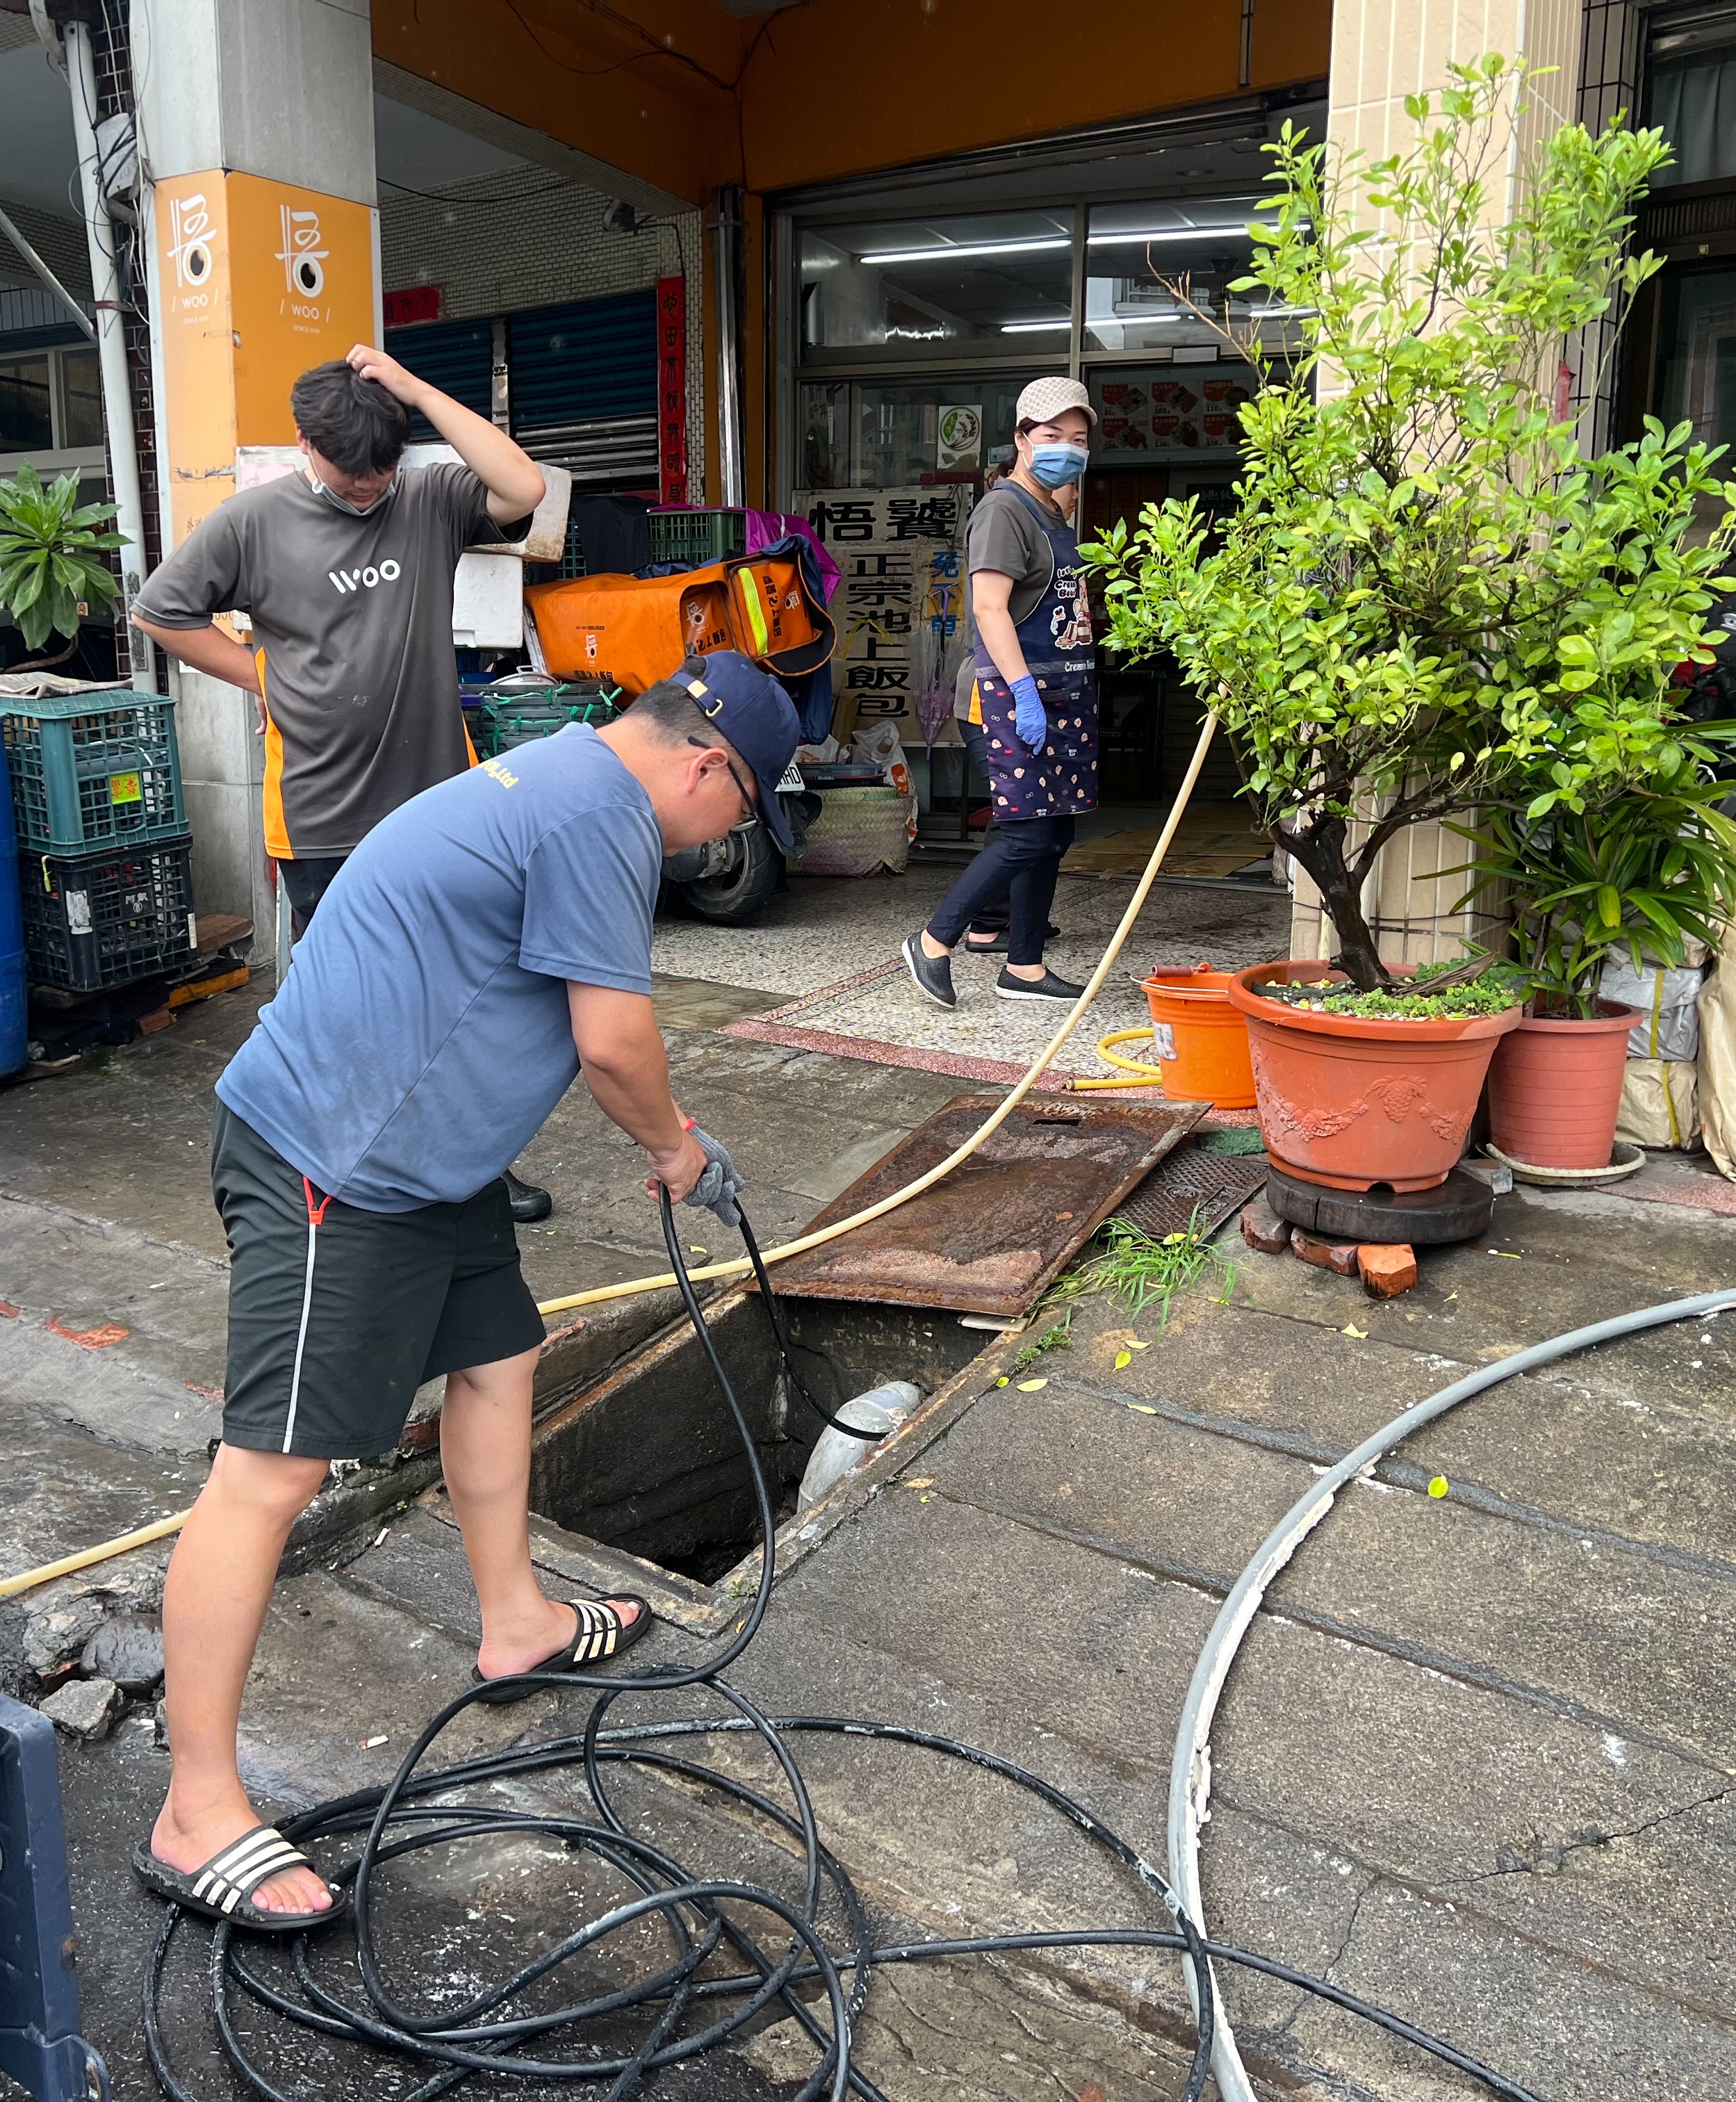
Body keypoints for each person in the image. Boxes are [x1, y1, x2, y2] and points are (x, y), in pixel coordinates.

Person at [136, 652, 803, 1934]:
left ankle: (517, 1622)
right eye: (743, 812)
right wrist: (676, 1149)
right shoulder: (596, 814)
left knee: (501, 1353)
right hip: (337, 1161)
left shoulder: (564, 782)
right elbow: (612, 1040)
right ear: (708, 767)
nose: (728, 840)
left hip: (428, 1165)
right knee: (272, 1470)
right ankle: (196, 1804)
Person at [131, 346, 560, 1222]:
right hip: (323, 817)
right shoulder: (252, 523)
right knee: (351, 1006)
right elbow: (161, 611)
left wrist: (410, 385)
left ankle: (471, 1168)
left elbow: (522, 489)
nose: (367, 490)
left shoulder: (429, 500)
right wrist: (261, 677)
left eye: (381, 472)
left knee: (464, 993)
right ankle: (350, 1165)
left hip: (441, 805)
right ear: (303, 444)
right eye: (348, 473)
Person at [902, 376, 1100, 1010]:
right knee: (1024, 835)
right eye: (1051, 436)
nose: (1066, 448)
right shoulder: (1004, 510)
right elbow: (989, 609)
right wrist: (1024, 692)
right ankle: (934, 942)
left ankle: (1025, 966)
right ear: (1020, 439)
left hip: (1063, 696)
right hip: (1014, 699)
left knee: (1056, 833)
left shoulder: (1053, 511)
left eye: (1078, 439)